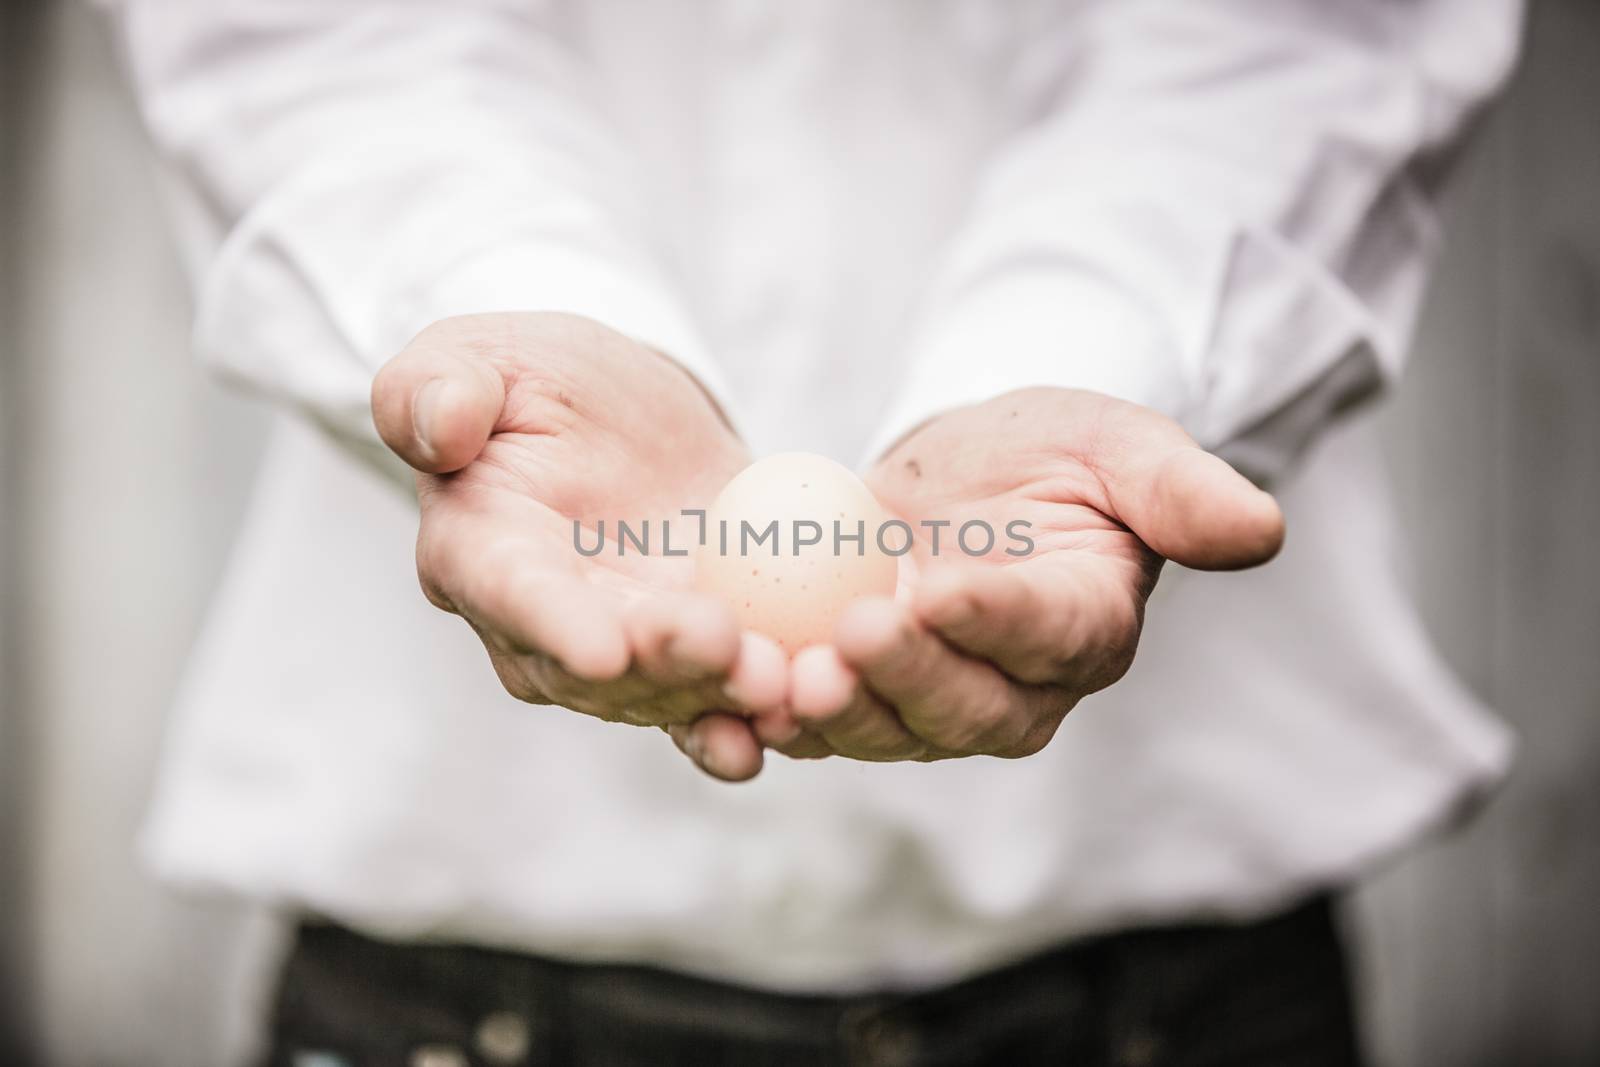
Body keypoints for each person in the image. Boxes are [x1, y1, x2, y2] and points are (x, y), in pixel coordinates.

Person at [108, 1, 1522, 1063]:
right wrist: (513, 312)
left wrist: (1085, 355)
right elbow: (314, 35)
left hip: (1172, 984)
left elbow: (1296, 41)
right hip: (452, 974)